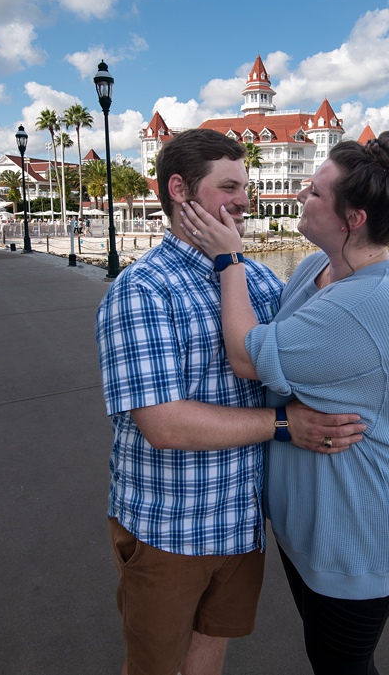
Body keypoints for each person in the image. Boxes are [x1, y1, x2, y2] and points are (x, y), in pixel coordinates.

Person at [96, 128, 366, 675]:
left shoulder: (259, 279)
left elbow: (318, 331)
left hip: (240, 521)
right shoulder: (142, 290)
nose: (244, 199)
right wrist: (284, 425)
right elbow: (163, 423)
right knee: (152, 667)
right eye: (228, 187)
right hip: (169, 526)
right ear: (179, 189)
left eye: (244, 186)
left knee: (210, 651)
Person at [181, 131, 389, 675]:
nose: (303, 192)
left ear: (353, 218)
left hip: (363, 522)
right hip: (317, 521)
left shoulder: (368, 302)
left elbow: (250, 357)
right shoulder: (315, 270)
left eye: (317, 192)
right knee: (330, 657)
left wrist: (229, 260)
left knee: (340, 665)